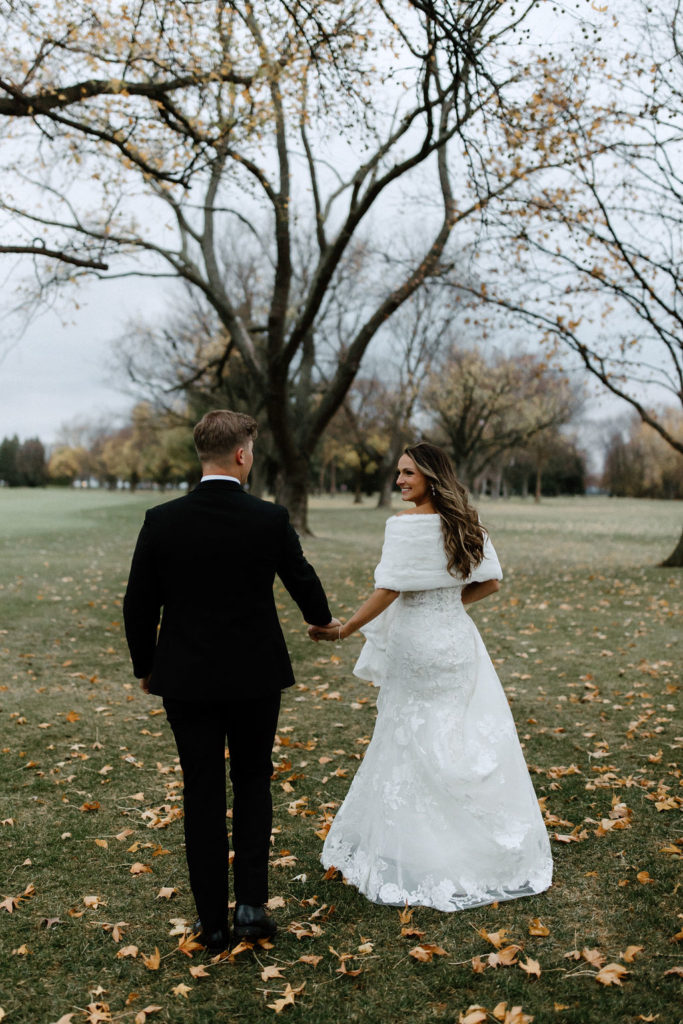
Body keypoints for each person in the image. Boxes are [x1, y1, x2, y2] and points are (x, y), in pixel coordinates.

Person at [123, 410, 338, 951]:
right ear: (243, 455)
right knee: (252, 781)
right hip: (254, 675)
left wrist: (146, 666)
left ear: (204, 455)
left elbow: (137, 604)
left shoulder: (162, 520)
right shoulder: (268, 518)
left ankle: (211, 923)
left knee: (200, 791)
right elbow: (302, 580)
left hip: (186, 678)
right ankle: (249, 910)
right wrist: (320, 618)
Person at [309, 442, 553, 911]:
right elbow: (492, 581)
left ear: (431, 476)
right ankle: (470, 844)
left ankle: (423, 850)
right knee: (453, 734)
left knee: (410, 736)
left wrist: (344, 629)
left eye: (408, 473)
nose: (399, 481)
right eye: (398, 473)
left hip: (416, 644)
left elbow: (388, 589)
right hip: (456, 639)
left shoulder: (403, 526)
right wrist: (447, 606)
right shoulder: (466, 521)